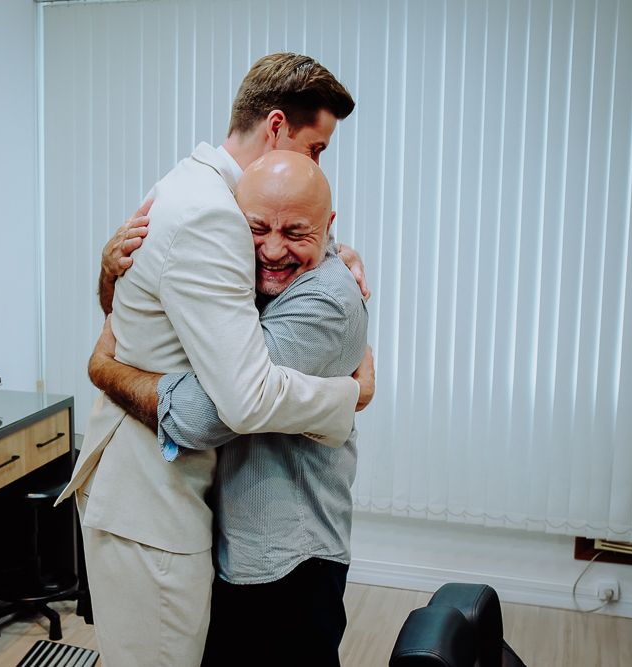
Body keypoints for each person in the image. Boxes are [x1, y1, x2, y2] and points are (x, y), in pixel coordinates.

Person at [55, 53, 372, 666]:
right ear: (276, 128)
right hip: (153, 496)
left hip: (185, 496)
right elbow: (240, 399)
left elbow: (145, 306)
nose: (316, 165)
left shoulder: (206, 191)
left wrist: (338, 257)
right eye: (317, 148)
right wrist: (347, 396)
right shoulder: (211, 212)